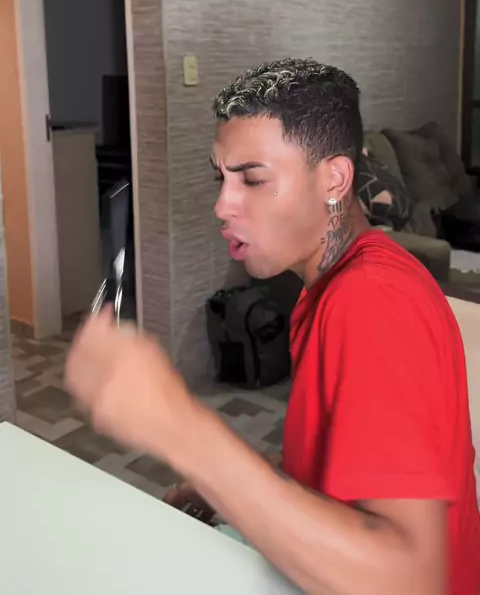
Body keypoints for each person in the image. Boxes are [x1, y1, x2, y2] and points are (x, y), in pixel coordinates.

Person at [66, 58, 480, 595]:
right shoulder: (329, 286)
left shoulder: (372, 303)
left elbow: (412, 580)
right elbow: (342, 452)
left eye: (253, 179)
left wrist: (183, 429)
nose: (222, 205)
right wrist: (234, 485)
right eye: (221, 178)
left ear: (334, 179)